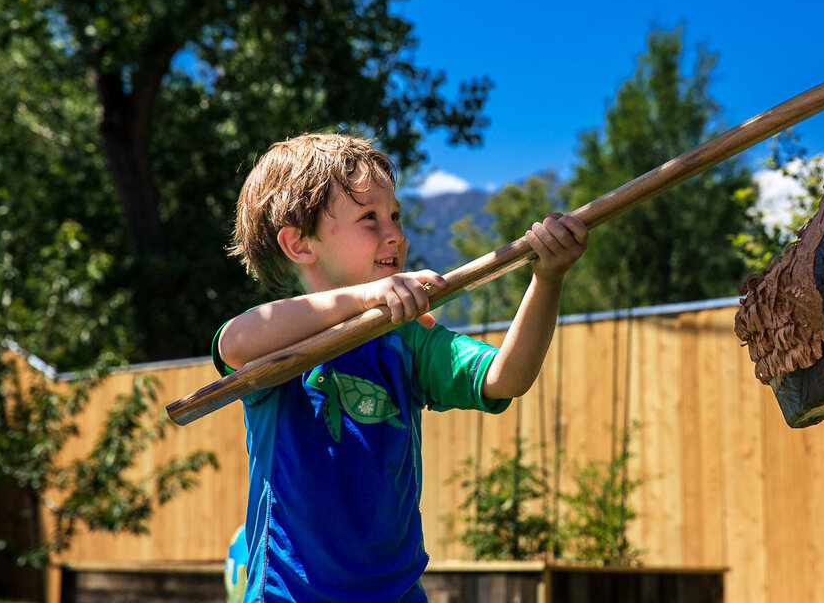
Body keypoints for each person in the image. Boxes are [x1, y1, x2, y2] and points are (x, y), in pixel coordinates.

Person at [213, 132, 588, 601]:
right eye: (369, 218)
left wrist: (548, 279)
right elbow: (235, 343)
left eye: (395, 215)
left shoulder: (407, 339)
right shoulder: (282, 342)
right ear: (300, 245)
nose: (395, 233)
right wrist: (365, 297)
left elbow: (505, 377)